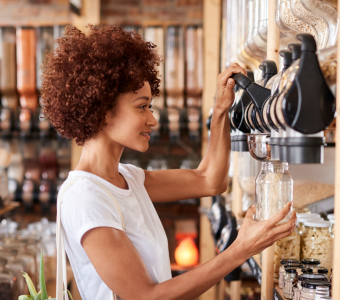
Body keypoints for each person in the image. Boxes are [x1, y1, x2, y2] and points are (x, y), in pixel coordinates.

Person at [41, 25, 296, 300]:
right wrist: (241, 249)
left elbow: (210, 180)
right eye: (142, 106)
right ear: (102, 110)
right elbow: (147, 297)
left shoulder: (127, 179)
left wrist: (221, 109)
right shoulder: (86, 197)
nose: (153, 119)